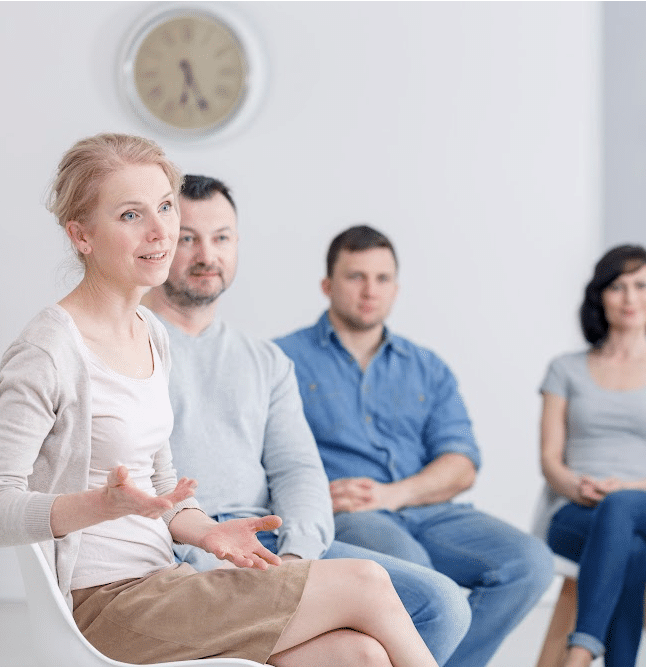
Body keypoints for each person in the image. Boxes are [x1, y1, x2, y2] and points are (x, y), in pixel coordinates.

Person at [0, 133, 437, 667]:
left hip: (163, 581)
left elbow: (163, 487)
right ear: (81, 235)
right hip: (105, 606)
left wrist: (210, 532)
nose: (163, 230)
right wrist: (98, 506)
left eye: (164, 207)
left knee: (359, 654)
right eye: (131, 215)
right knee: (366, 581)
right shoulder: (47, 352)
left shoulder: (147, 333)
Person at [141, 174, 471, 665]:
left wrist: (293, 564)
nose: (206, 254)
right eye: (188, 237)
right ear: (162, 242)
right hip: (188, 548)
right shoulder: (130, 343)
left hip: (272, 544)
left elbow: (297, 470)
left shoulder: (265, 360)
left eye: (222, 238)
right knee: (364, 652)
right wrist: (203, 550)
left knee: (440, 606)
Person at [275, 224, 555, 667]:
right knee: (417, 571)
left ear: (396, 288)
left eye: (382, 279)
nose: (370, 290)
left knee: (530, 563)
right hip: (349, 515)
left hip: (428, 509)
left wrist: (395, 493)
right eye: (356, 276)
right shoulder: (282, 360)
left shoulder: (427, 367)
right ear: (327, 285)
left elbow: (461, 463)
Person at [537, 244, 646, 667]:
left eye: (641, 286)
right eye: (618, 286)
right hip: (576, 513)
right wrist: (576, 484)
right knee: (627, 550)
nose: (630, 298)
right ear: (600, 297)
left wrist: (629, 488)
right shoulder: (564, 369)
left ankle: (580, 652)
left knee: (622, 508)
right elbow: (549, 459)